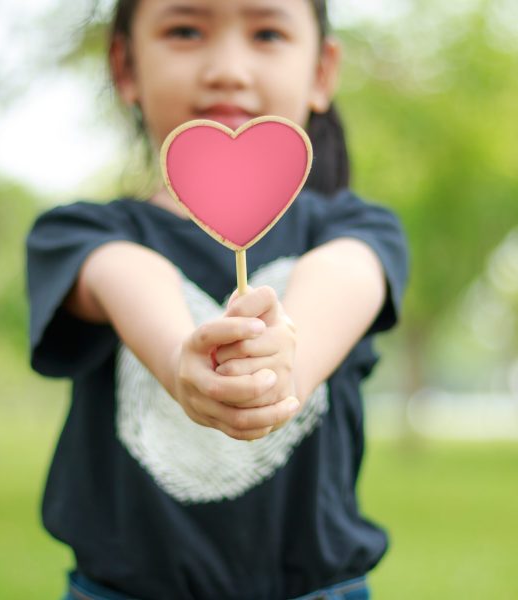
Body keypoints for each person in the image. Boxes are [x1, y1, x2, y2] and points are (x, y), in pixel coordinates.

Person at [26, 0, 408, 598]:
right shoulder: (79, 234)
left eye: (267, 32)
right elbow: (125, 276)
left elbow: (347, 278)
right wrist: (182, 356)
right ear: (124, 66)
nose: (228, 68)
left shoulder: (355, 230)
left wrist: (283, 368)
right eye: (185, 30)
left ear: (322, 72)